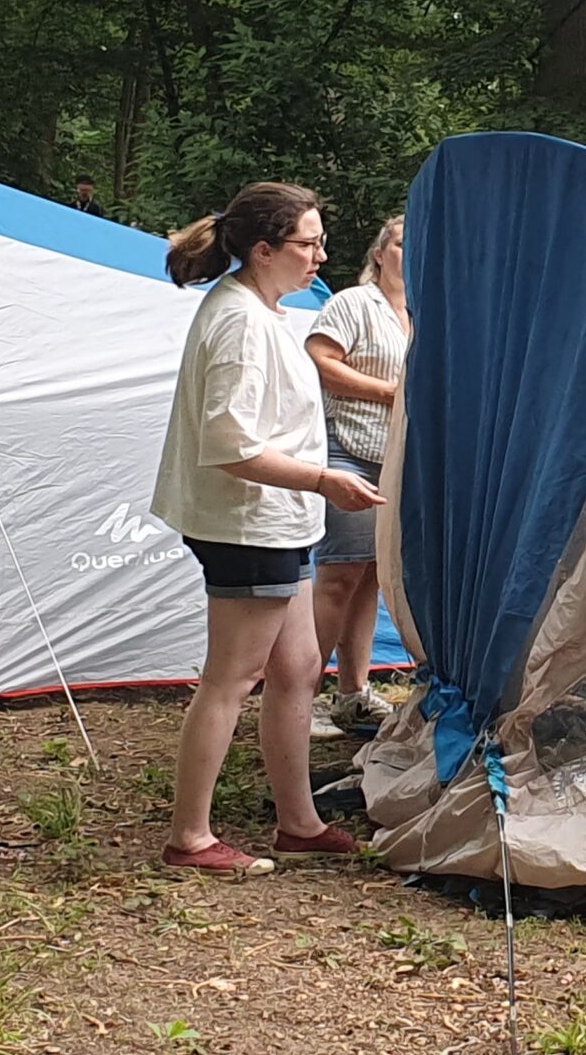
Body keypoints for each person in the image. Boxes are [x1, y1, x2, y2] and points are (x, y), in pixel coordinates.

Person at [150, 182, 383, 875]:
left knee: (299, 668)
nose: (321, 254)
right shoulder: (241, 325)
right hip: (246, 522)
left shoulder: (263, 310)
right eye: (308, 242)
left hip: (277, 521)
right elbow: (230, 443)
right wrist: (323, 479)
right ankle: (189, 835)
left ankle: (298, 823)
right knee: (234, 674)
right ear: (263, 250)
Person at [306, 215, 410, 732]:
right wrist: (390, 393)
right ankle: (298, 694)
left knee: (371, 574)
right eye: (400, 243)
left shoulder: (426, 310)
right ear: (379, 252)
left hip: (400, 459)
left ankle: (352, 692)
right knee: (339, 573)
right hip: (349, 448)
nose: (408, 252)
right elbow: (320, 360)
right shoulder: (353, 303)